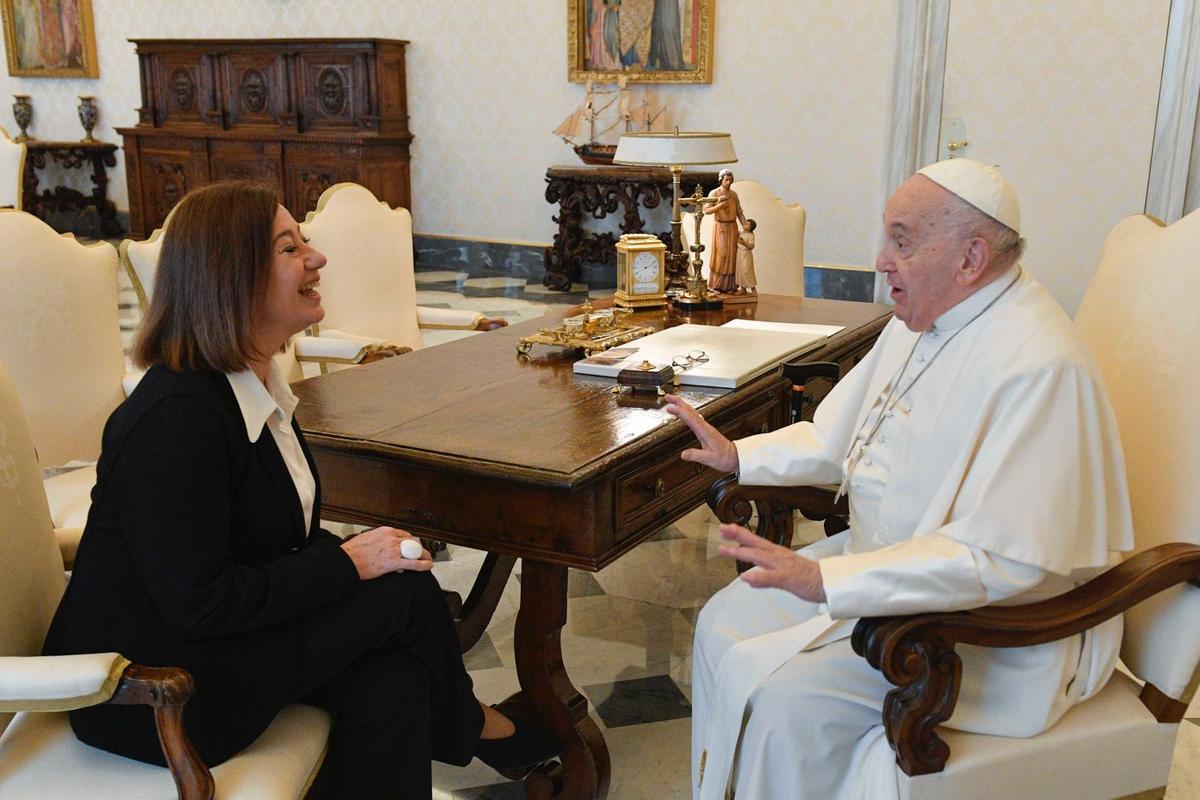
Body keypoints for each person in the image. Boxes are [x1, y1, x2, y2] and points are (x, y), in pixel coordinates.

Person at [42, 181, 561, 798]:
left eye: (305, 242)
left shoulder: (251, 392)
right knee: (406, 599)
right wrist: (347, 565)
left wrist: (358, 563)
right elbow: (201, 605)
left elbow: (270, 547)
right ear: (230, 277)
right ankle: (482, 730)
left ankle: (480, 729)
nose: (316, 259)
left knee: (393, 675)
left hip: (221, 647)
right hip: (156, 690)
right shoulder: (174, 419)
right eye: (290, 249)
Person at [665, 159, 1133, 800]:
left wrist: (828, 579)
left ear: (970, 258)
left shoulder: (1040, 366)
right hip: (889, 578)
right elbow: (838, 438)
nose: (880, 260)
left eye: (901, 240)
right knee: (722, 620)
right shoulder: (922, 319)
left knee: (782, 705)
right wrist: (741, 457)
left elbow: (1001, 558)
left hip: (984, 634)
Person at [704, 169, 747, 294]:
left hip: (732, 227)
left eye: (730, 180)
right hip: (720, 227)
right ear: (721, 180)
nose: (728, 182)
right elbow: (707, 210)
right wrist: (720, 205)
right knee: (721, 255)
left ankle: (729, 286)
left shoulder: (734, 194)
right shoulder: (714, 193)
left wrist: (745, 224)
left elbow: (739, 211)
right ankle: (715, 285)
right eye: (726, 180)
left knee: (732, 256)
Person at [735, 218, 757, 294]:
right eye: (745, 223)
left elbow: (751, 246)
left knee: (747, 271)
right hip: (739, 254)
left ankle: (753, 289)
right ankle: (743, 289)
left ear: (751, 227)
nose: (745, 224)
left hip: (746, 254)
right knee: (740, 271)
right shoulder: (741, 233)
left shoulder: (751, 236)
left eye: (747, 224)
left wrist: (744, 243)